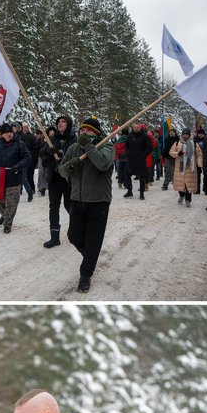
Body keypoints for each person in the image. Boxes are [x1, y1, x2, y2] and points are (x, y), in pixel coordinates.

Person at [58, 116, 116, 293]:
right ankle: (91, 257)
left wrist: (89, 147)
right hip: (77, 199)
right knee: (74, 236)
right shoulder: (74, 148)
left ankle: (85, 275)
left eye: (88, 130)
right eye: (82, 130)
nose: (83, 132)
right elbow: (61, 170)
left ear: (96, 132)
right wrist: (70, 166)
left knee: (93, 240)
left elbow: (103, 164)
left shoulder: (107, 146)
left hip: (99, 202)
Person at [0, 122, 32, 234]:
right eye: (6, 132)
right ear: (2, 134)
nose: (9, 134)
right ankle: (4, 215)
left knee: (11, 202)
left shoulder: (19, 144)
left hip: (13, 178)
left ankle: (8, 222)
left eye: (10, 132)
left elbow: (28, 157)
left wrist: (19, 166)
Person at [42, 116, 76, 249]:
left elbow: (78, 158)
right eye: (59, 122)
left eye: (63, 122)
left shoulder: (74, 140)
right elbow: (42, 156)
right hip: (55, 179)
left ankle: (77, 231)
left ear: (68, 124)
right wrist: (48, 152)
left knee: (70, 207)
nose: (60, 124)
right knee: (53, 207)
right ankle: (54, 237)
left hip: (68, 180)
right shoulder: (52, 139)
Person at [171, 128, 201, 209]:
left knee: (189, 185)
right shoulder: (177, 143)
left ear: (189, 134)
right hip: (180, 166)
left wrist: (199, 164)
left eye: (187, 134)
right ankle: (181, 195)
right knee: (180, 183)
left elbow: (199, 154)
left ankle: (188, 200)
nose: (185, 136)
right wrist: (178, 153)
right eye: (184, 134)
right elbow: (171, 152)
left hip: (190, 167)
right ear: (182, 134)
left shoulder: (194, 143)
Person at [125, 124, 152, 199]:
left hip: (141, 160)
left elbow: (150, 147)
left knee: (142, 177)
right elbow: (126, 145)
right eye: (135, 127)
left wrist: (144, 154)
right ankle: (129, 191)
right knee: (127, 174)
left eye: (138, 128)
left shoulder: (145, 136)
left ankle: (141, 193)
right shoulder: (130, 135)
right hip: (131, 159)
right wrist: (128, 153)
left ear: (141, 128)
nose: (136, 129)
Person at [19, 121, 40, 201]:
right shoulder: (19, 136)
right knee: (20, 175)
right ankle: (19, 189)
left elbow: (36, 147)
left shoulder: (32, 137)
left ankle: (32, 189)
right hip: (20, 159)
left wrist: (30, 155)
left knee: (29, 175)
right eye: (24, 127)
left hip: (30, 159)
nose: (26, 128)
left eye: (27, 127)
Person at [161, 126, 180, 191]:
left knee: (176, 170)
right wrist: (163, 151)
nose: (171, 133)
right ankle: (165, 185)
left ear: (175, 133)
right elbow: (164, 148)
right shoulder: (166, 139)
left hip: (175, 157)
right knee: (168, 170)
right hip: (168, 157)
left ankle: (177, 183)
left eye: (172, 132)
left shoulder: (178, 140)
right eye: (170, 132)